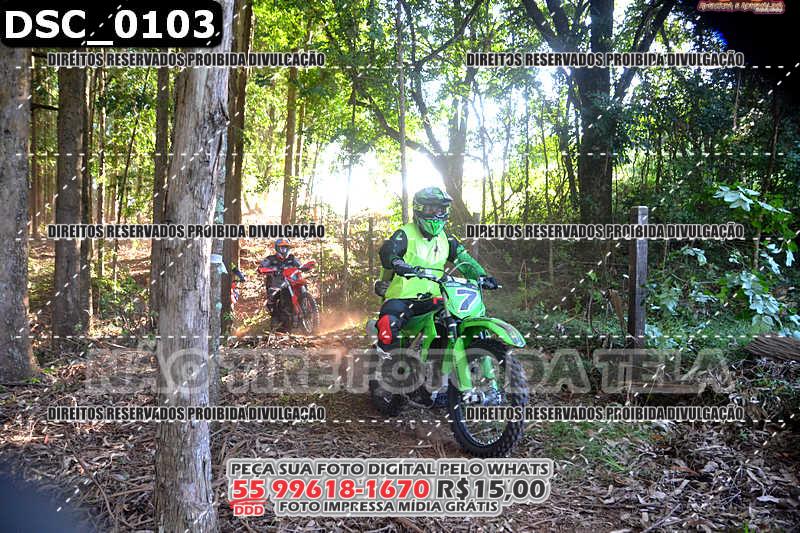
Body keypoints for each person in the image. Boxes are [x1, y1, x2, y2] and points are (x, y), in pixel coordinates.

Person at [374, 187, 498, 357]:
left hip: (437, 298)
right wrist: (397, 262)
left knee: (459, 320)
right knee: (389, 322)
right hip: (404, 298)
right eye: (430, 209)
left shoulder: (446, 239)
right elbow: (388, 251)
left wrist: (482, 276)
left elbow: (464, 259)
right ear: (419, 209)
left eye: (440, 210)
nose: (436, 214)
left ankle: (448, 359)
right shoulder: (405, 233)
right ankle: (388, 363)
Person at [259, 238, 301, 311]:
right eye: (282, 247)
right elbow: (261, 267)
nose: (284, 249)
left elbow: (300, 265)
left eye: (286, 247)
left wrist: (304, 267)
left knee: (302, 285)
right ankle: (273, 311)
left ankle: (306, 304)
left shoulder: (292, 258)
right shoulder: (270, 259)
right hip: (276, 284)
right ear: (277, 248)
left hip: (292, 281)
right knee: (273, 295)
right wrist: (267, 270)